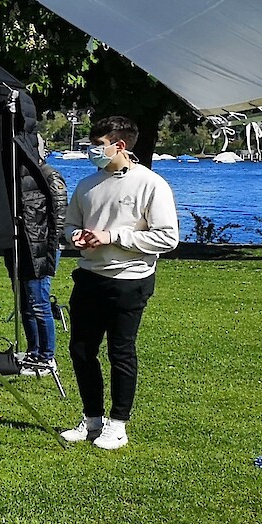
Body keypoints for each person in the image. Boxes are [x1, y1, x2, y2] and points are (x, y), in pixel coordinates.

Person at [61, 115, 178, 449]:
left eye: (98, 146)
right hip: (89, 277)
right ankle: (91, 419)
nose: (92, 151)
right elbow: (69, 225)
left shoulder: (150, 184)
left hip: (130, 279)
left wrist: (113, 236)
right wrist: (77, 236)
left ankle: (118, 424)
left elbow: (167, 237)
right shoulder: (87, 185)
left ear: (119, 146)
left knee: (120, 351)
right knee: (81, 350)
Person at [16, 134, 67, 370]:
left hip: (42, 246)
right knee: (26, 302)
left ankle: (47, 355)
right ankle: (33, 351)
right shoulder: (19, 175)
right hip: (25, 245)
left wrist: (50, 247)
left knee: (39, 302)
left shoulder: (49, 175)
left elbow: (60, 216)